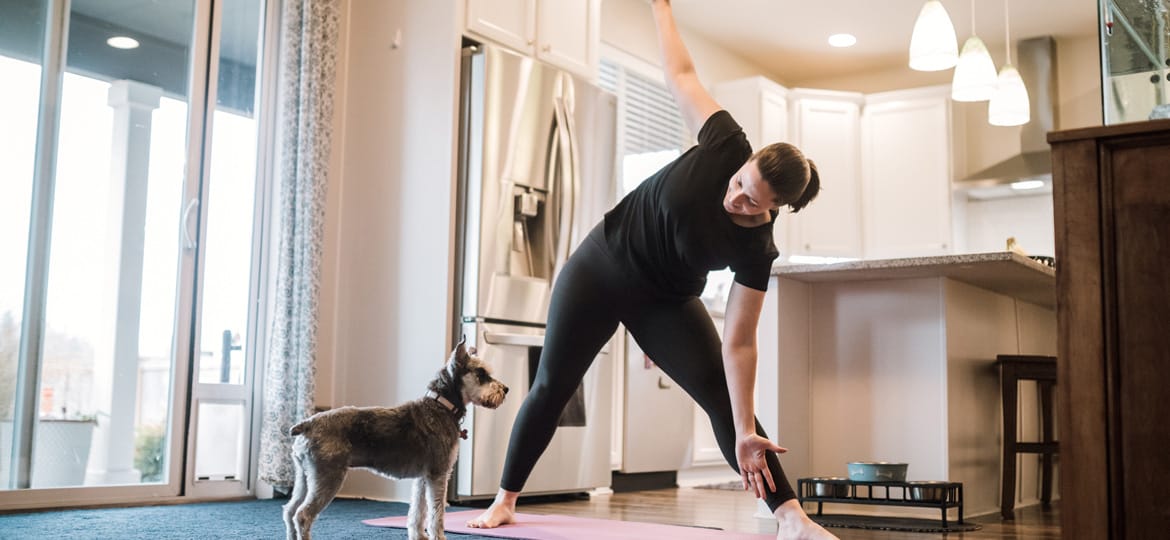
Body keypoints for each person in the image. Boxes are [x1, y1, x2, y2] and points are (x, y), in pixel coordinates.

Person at [468, 1, 837, 538]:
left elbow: (739, 344)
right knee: (552, 384)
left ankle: (792, 518)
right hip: (600, 266)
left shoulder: (758, 250)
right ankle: (505, 500)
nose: (735, 198)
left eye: (752, 201)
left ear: (774, 208)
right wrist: (661, 6)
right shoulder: (725, 144)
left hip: (664, 300)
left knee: (718, 391)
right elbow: (681, 73)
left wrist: (742, 427)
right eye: (739, 183)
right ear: (742, 163)